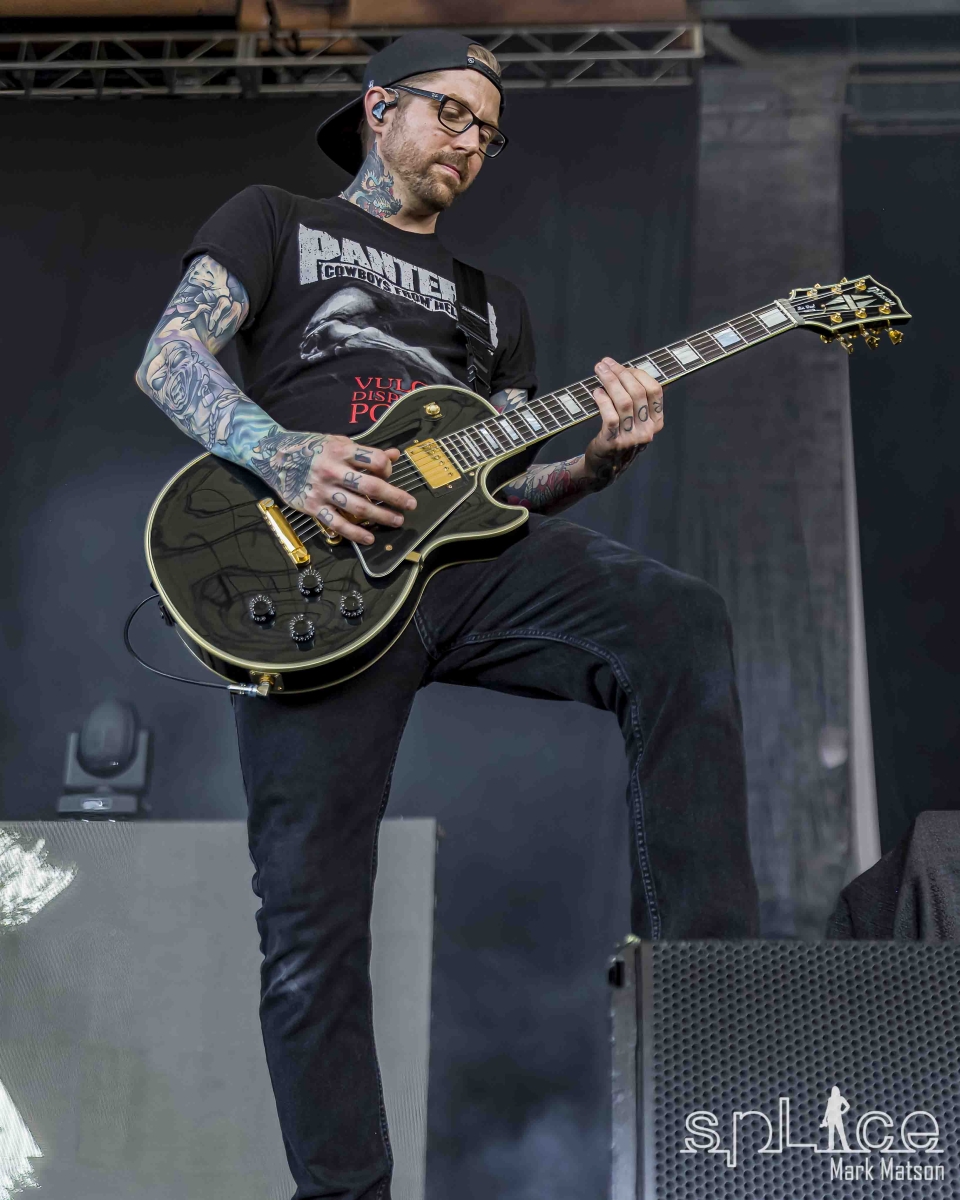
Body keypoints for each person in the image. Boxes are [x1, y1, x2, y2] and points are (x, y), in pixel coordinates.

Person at [135, 30, 760, 1200]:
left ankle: (710, 995)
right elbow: (170, 358)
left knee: (678, 622)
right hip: (309, 576)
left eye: (490, 132)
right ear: (381, 108)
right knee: (311, 931)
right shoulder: (276, 220)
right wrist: (287, 454)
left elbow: (505, 493)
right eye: (452, 113)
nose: (472, 142)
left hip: (462, 570)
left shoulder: (491, 304)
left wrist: (594, 466)